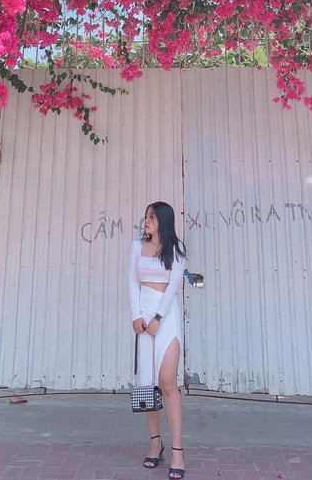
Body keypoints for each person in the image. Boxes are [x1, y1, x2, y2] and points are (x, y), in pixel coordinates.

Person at [129, 201, 187, 479]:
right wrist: (136, 316)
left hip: (166, 317)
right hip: (143, 318)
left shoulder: (177, 248)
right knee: (147, 384)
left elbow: (175, 284)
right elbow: (131, 280)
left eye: (151, 217)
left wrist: (158, 318)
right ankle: (155, 443)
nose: (146, 221)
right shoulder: (136, 246)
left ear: (163, 221)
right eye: (145, 217)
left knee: (167, 383)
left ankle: (177, 450)